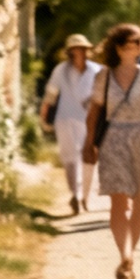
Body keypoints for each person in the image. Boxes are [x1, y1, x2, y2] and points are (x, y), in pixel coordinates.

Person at [82, 24, 140, 279]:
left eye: (139, 42)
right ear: (118, 48)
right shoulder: (104, 76)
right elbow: (94, 113)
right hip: (114, 141)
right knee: (118, 200)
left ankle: (130, 255)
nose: (135, 47)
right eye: (130, 43)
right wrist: (89, 143)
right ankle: (126, 256)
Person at [39, 34, 102, 216]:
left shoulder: (96, 70)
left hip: (88, 119)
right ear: (69, 52)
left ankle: (84, 195)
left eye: (81, 49)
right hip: (65, 117)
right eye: (75, 49)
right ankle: (75, 194)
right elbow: (51, 93)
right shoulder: (61, 70)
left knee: (86, 156)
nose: (78, 52)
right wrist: (44, 115)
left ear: (86, 50)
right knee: (69, 157)